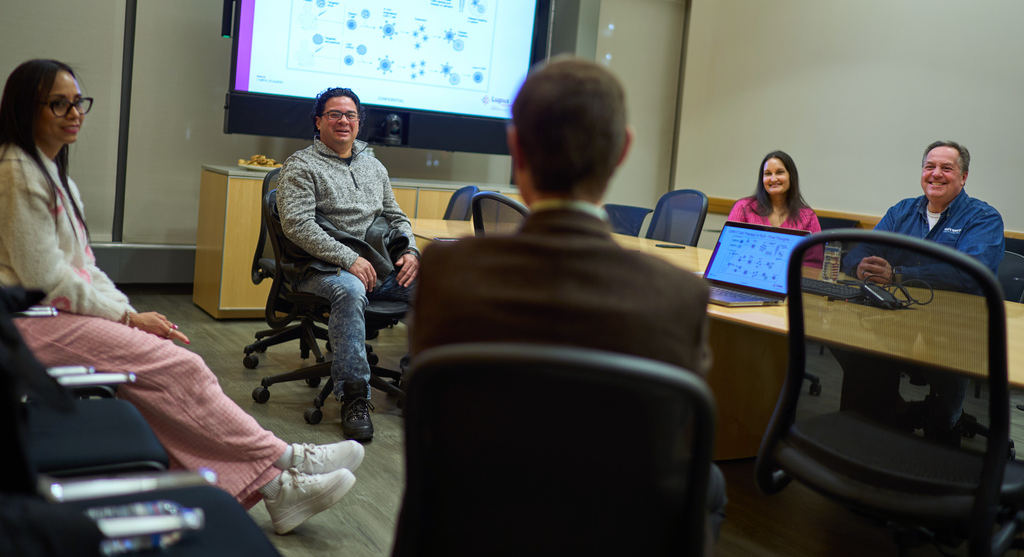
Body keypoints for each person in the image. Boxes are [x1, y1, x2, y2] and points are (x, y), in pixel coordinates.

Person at [0, 59, 364, 536]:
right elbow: (46, 276)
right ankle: (286, 456)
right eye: (59, 104)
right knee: (182, 368)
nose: (74, 113)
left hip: (54, 311)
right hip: (28, 321)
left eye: (78, 103)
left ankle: (279, 491)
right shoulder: (16, 170)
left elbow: (84, 265)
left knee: (159, 390)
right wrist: (127, 320)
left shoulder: (50, 172)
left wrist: (127, 314)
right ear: (27, 109)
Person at [408, 57, 726, 551]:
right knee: (713, 485)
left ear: (515, 148)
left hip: (470, 531)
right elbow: (668, 435)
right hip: (619, 534)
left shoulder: (448, 273)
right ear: (623, 151)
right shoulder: (681, 298)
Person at [276, 87, 418, 442]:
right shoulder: (301, 165)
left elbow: (396, 217)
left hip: (375, 263)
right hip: (319, 268)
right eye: (335, 114)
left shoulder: (374, 165)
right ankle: (355, 397)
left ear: (359, 123)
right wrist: (348, 258)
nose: (344, 121)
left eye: (350, 115)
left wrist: (411, 252)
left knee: (436, 286)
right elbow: (297, 226)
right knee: (351, 291)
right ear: (319, 122)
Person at [839, 140, 1004, 441]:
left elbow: (970, 274)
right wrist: (859, 264)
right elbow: (864, 246)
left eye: (946, 168)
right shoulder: (902, 211)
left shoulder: (983, 219)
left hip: (956, 330)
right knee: (847, 342)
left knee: (941, 426)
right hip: (897, 320)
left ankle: (944, 425)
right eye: (930, 167)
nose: (935, 174)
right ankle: (875, 427)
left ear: (963, 177)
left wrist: (897, 275)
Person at [728, 150, 823, 265]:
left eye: (779, 172)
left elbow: (814, 264)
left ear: (791, 176)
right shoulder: (743, 207)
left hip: (789, 280)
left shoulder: (808, 217)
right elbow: (729, 251)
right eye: (768, 174)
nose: (773, 179)